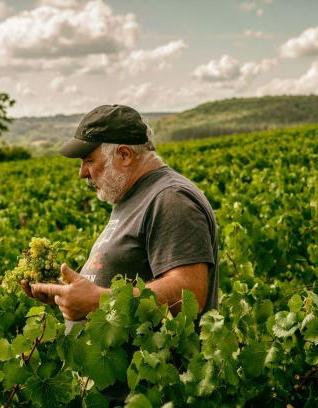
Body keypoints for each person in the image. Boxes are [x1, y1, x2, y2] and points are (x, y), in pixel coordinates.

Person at [21, 104, 218, 331]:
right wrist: (65, 295)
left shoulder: (170, 198)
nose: (82, 173)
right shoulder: (134, 196)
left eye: (89, 161)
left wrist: (98, 301)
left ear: (124, 155)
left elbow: (189, 293)